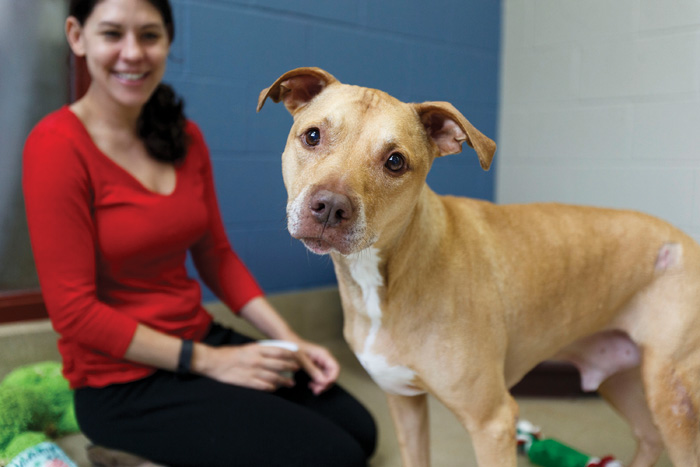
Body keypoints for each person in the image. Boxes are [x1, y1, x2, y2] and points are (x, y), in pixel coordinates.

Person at [22, 0, 376, 465]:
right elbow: (73, 313)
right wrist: (211, 364)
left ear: (167, 42)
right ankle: (129, 451)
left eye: (149, 35)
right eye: (112, 34)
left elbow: (217, 256)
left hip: (197, 337)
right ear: (76, 36)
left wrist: (290, 340)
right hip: (121, 383)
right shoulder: (55, 146)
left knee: (359, 430)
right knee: (336, 457)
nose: (133, 53)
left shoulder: (184, 138)